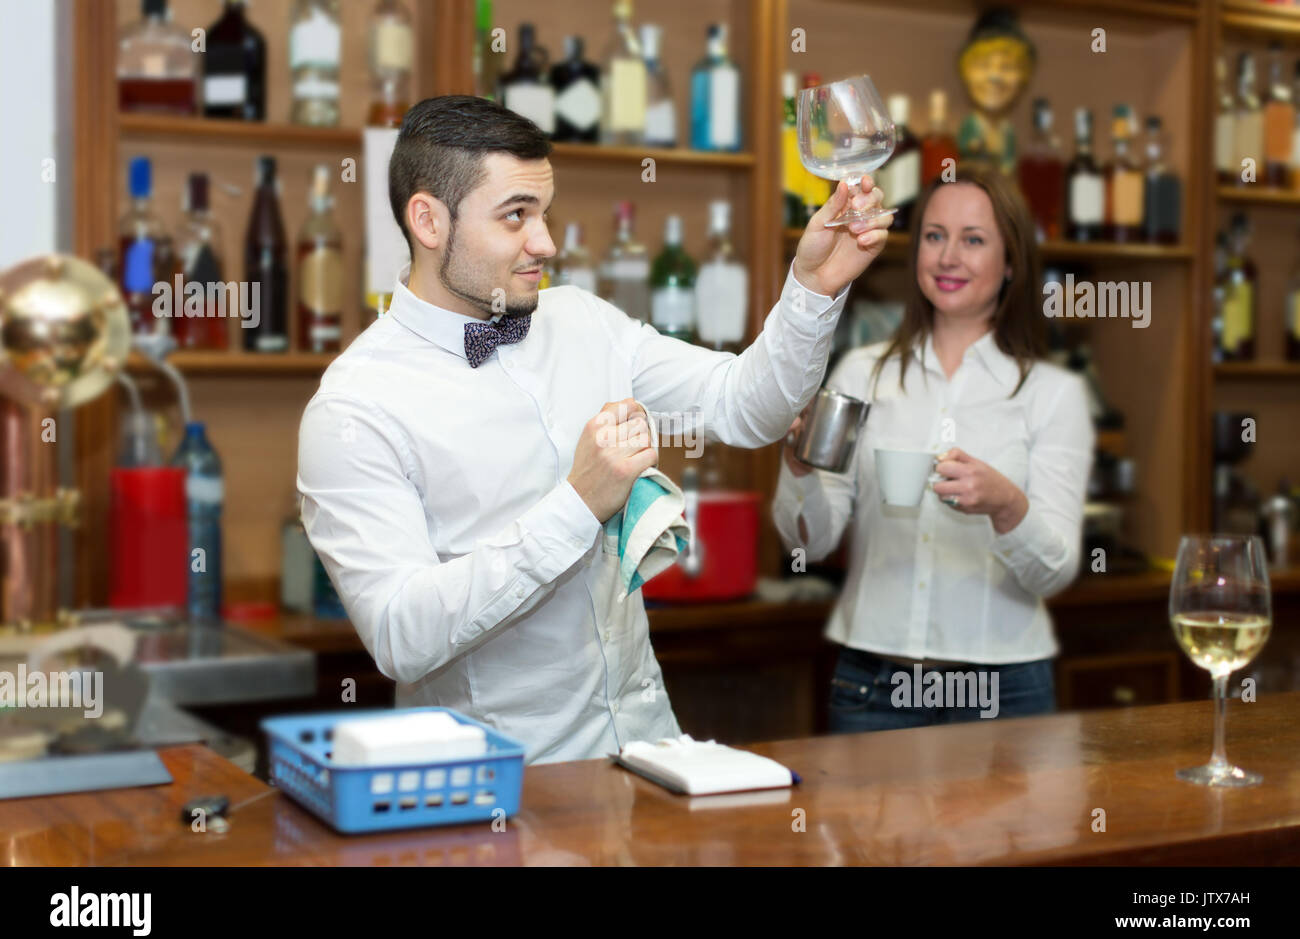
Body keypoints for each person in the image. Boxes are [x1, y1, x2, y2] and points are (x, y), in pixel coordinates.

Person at [296, 95, 892, 763]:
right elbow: (401, 634)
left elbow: (747, 407)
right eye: (515, 216)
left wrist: (811, 288)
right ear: (428, 220)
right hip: (503, 788)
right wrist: (579, 504)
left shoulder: (581, 320)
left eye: (544, 213)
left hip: (652, 757)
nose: (546, 243)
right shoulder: (354, 409)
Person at [773, 163, 1094, 733]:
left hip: (1006, 692)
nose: (949, 257)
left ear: (1012, 262)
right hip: (873, 687)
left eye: (973, 240)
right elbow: (811, 543)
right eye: (934, 236)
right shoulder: (860, 373)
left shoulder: (1054, 395)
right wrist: (799, 468)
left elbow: (1056, 573)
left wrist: (1007, 506)